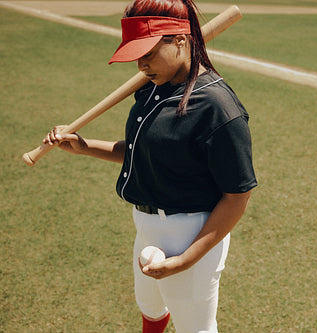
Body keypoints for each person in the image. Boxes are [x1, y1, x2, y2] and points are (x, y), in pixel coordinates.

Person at [43, 0, 257, 332]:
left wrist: (187, 259)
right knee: (151, 309)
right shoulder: (155, 87)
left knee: (195, 328)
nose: (141, 65)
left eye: (149, 53)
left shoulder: (217, 108)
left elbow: (237, 197)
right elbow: (146, 152)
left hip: (191, 234)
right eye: (136, 55)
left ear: (181, 41)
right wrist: (85, 147)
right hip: (146, 226)